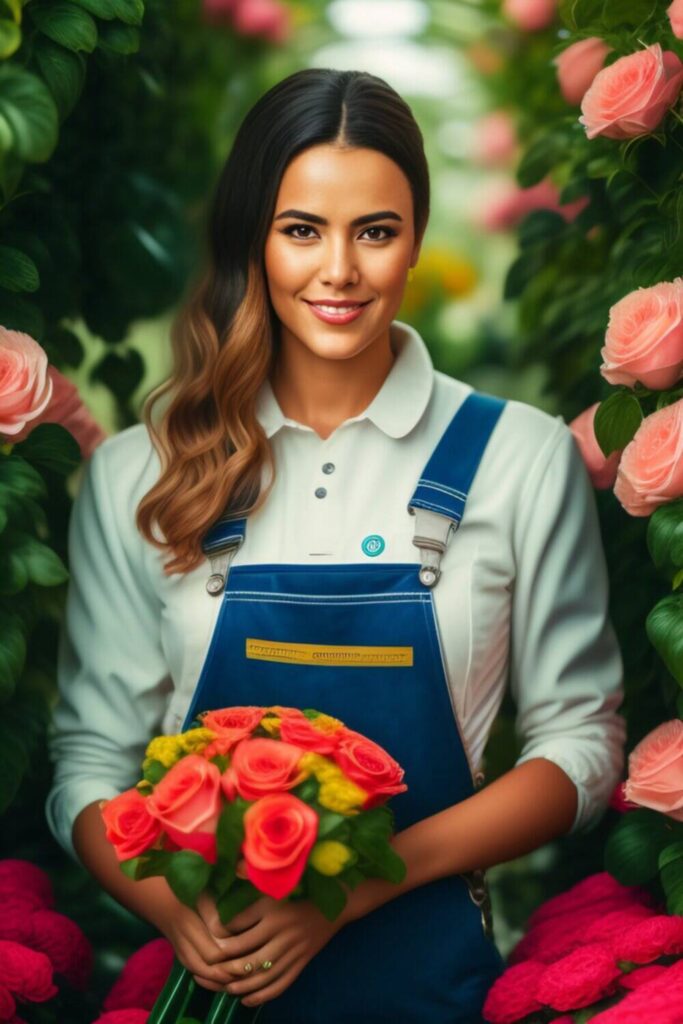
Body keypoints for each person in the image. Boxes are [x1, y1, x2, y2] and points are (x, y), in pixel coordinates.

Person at [46, 68, 625, 1024]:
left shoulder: (516, 455)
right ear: (251, 239)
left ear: (416, 240)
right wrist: (180, 915)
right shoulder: (139, 474)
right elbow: (87, 762)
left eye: (377, 230)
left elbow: (581, 744)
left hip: (433, 980)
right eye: (302, 229)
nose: (340, 273)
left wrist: (360, 887)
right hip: (212, 985)